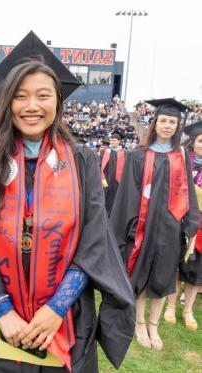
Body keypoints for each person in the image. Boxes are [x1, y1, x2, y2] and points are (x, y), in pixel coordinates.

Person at [0, 32, 135, 373]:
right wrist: (3, 309)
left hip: (66, 320)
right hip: (2, 325)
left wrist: (56, 308)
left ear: (58, 102)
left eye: (43, 96)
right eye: (20, 97)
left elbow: (95, 242)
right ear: (7, 104)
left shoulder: (81, 162)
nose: (31, 106)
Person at [110, 98, 200, 351]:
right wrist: (126, 228)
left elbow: (189, 193)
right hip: (143, 227)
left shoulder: (180, 156)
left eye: (173, 122)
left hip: (170, 228)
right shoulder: (139, 155)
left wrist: (191, 221)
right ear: (155, 123)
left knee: (162, 278)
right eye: (163, 121)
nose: (168, 126)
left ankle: (153, 324)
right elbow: (127, 194)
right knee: (140, 276)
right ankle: (139, 323)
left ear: (178, 126)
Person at [164, 120, 202, 331]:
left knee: (196, 270)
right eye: (200, 141)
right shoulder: (180, 161)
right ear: (193, 142)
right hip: (180, 219)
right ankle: (170, 306)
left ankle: (188, 309)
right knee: (176, 265)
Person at [100, 130, 126, 216]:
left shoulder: (124, 153)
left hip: (118, 181)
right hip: (106, 180)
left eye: (114, 140)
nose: (112, 142)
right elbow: (100, 165)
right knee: (105, 198)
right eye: (111, 140)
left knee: (116, 199)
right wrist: (102, 178)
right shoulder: (105, 152)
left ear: (119, 141)